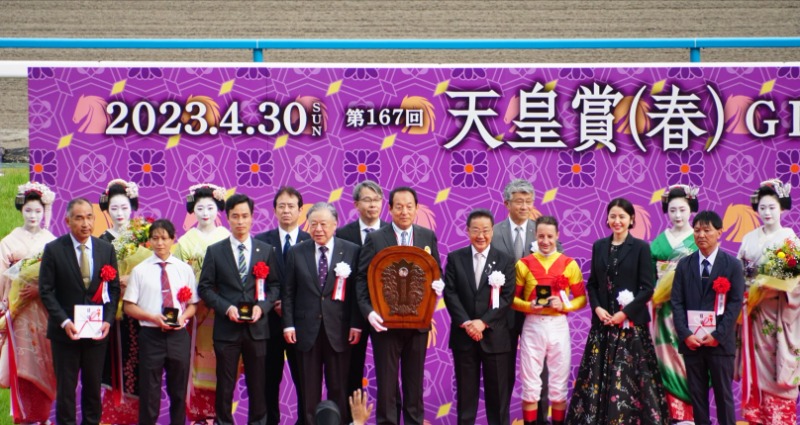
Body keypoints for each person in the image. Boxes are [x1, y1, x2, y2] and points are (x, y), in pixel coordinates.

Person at [566, 197, 669, 424]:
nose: (617, 221)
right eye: (613, 216)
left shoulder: (641, 247)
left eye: (622, 216)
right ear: (607, 218)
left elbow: (647, 288)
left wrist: (625, 313)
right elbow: (592, 284)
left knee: (630, 379)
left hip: (630, 328)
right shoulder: (599, 246)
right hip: (602, 327)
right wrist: (598, 308)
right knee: (597, 379)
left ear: (631, 219)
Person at [355, 186, 443, 425]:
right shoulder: (375, 238)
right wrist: (369, 312)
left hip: (418, 325)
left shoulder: (427, 236)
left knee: (414, 387)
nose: (404, 211)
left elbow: (436, 272)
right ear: (390, 208)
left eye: (409, 206)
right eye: (399, 206)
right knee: (386, 386)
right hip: (385, 325)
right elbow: (362, 279)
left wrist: (438, 286)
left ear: (416, 209)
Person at [198, 193, 280, 425]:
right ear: (227, 218)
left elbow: (275, 286)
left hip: (258, 329)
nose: (240, 221)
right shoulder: (215, 251)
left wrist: (262, 308)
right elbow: (205, 288)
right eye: (235, 216)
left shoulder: (265, 250)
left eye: (245, 216)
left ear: (253, 217)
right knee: (224, 385)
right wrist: (226, 309)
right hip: (227, 329)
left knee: (258, 384)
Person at [39, 197, 121, 425]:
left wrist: (107, 320)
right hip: (65, 335)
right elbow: (46, 291)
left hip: (96, 335)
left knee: (93, 389)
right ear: (67, 221)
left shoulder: (106, 249)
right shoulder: (54, 250)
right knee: (66, 391)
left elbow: (113, 290)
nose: (85, 223)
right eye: (79, 218)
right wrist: (65, 322)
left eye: (89, 217)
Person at [283, 202, 363, 425]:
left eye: (323, 224)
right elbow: (288, 292)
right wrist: (288, 325)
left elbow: (358, 293)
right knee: (309, 390)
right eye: (313, 224)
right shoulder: (297, 252)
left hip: (339, 330)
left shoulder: (351, 250)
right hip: (305, 331)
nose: (318, 229)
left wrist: (356, 324)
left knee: (339, 387)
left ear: (335, 224)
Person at [123, 219, 199, 425]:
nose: (160, 243)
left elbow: (193, 304)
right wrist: (151, 317)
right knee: (149, 392)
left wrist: (183, 318)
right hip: (151, 336)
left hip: (178, 336)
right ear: (149, 241)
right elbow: (128, 306)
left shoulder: (184, 269)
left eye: (164, 238)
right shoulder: (140, 271)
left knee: (178, 391)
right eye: (155, 238)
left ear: (173, 240)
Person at [671, 211, 744, 425]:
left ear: (719, 232)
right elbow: (677, 302)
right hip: (692, 343)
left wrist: (717, 335)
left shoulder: (732, 265)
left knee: (724, 397)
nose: (701, 235)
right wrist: (685, 335)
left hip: (719, 344)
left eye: (707, 230)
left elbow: (735, 304)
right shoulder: (684, 265)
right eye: (696, 230)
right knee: (698, 398)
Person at [443, 208, 515, 425]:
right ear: (467, 231)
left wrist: (483, 322)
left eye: (485, 230)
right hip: (464, 338)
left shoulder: (505, 260)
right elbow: (450, 293)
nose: (481, 236)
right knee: (466, 398)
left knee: (498, 400)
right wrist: (467, 323)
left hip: (496, 338)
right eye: (476, 230)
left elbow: (507, 297)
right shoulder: (456, 258)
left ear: (493, 231)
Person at [490, 179, 554, 423]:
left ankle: (538, 420)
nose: (524, 206)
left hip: (535, 314)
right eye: (519, 201)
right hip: (501, 314)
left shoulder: (543, 232)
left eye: (528, 201)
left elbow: (555, 268)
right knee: (501, 373)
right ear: (506, 203)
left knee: (539, 372)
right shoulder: (493, 232)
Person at [737, 179, 800, 424]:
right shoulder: (749, 239)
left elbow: (793, 283)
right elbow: (741, 272)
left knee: (779, 361)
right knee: (753, 362)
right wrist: (746, 290)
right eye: (762, 207)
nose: (767, 212)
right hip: (752, 313)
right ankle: (756, 416)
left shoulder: (790, 240)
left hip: (778, 312)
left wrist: (768, 287)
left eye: (772, 207)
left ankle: (778, 417)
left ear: (782, 208)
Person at [513, 216, 586, 425]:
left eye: (550, 236)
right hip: (533, 326)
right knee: (530, 386)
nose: (545, 241)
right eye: (541, 236)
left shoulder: (569, 264)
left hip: (558, 327)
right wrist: (529, 306)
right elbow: (511, 300)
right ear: (535, 236)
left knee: (558, 385)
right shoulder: (523, 264)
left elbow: (582, 299)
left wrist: (565, 306)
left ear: (558, 236)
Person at [173, 183, 231, 423]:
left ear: (218, 209)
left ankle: (217, 415)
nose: (205, 213)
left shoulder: (227, 238)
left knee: (220, 362)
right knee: (194, 360)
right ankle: (197, 414)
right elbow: (178, 277)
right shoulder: (185, 242)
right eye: (200, 208)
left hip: (221, 312)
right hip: (195, 311)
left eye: (210, 207)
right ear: (192, 211)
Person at [0, 182, 56, 423]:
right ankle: (22, 418)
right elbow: (2, 278)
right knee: (22, 368)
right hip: (20, 314)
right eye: (28, 210)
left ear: (45, 212)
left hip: (46, 311)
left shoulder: (52, 241)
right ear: (21, 210)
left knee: (47, 365)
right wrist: (8, 303)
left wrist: (41, 290)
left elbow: (62, 277)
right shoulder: (8, 242)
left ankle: (43, 418)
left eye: (38, 211)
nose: (33, 216)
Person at [254, 186, 310, 425]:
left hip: (302, 324)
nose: (286, 211)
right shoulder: (260, 242)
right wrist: (272, 303)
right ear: (274, 210)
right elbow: (255, 282)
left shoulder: (311, 241)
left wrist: (290, 307)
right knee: (269, 379)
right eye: (281, 206)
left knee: (305, 380)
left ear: (300, 210)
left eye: (291, 206)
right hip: (270, 323)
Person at [334, 180, 390, 404]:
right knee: (350, 371)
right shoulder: (342, 234)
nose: (373, 205)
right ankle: (350, 418)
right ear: (356, 204)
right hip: (351, 315)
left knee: (388, 372)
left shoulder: (390, 232)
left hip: (384, 313)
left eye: (377, 200)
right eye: (367, 200)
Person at [649, 184, 700, 422]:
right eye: (672, 210)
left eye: (682, 209)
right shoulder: (659, 243)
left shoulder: (699, 238)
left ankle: (690, 414)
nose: (677, 215)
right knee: (665, 357)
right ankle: (671, 413)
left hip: (691, 310)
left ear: (691, 209)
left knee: (689, 357)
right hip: (663, 311)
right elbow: (648, 278)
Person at [97, 178, 144, 424]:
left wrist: (134, 279)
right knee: (110, 363)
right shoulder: (101, 241)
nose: (120, 213)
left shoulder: (142, 236)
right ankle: (112, 416)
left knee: (137, 363)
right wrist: (115, 281)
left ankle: (136, 417)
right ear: (106, 210)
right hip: (110, 312)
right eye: (114, 208)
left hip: (138, 312)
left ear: (132, 207)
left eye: (124, 207)